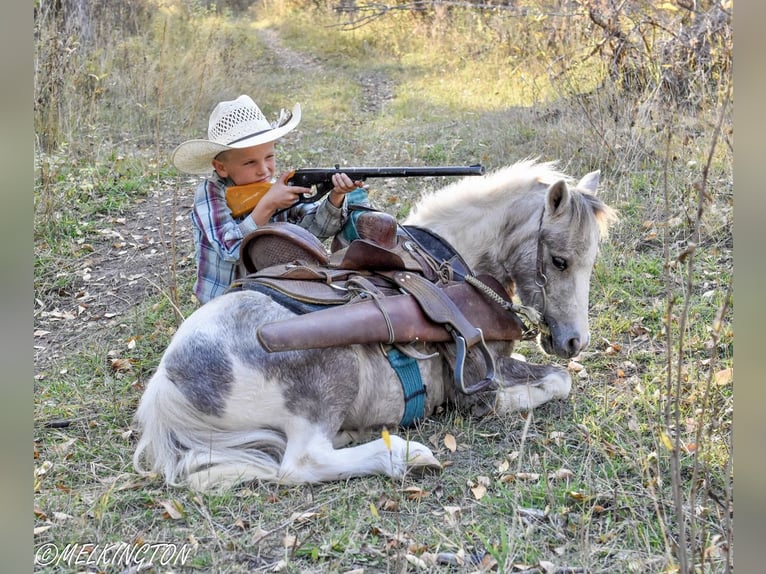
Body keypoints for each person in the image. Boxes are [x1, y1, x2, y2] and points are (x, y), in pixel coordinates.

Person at [172, 95, 368, 304]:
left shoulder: (275, 188)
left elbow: (314, 232)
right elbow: (228, 249)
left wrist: (336, 195)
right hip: (221, 301)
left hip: (269, 295)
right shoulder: (210, 193)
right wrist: (268, 205)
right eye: (250, 162)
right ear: (221, 167)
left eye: (269, 157)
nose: (264, 170)